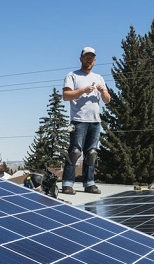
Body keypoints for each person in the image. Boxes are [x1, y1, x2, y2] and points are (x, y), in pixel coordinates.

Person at [61, 47, 111, 195]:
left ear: (95, 60)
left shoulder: (99, 77)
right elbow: (66, 96)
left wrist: (102, 91)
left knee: (92, 153)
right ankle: (67, 183)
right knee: (75, 152)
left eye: (92, 57)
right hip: (78, 120)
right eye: (86, 57)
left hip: (95, 121)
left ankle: (89, 183)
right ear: (81, 59)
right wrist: (83, 90)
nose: (89, 59)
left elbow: (107, 100)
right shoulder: (72, 76)